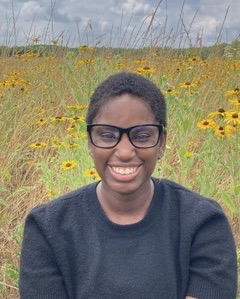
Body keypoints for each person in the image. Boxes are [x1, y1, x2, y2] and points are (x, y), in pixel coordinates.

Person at [19, 72, 237, 299]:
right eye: (107, 134)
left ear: (161, 143)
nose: (124, 152)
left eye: (142, 136)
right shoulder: (48, 228)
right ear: (90, 142)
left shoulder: (203, 223)